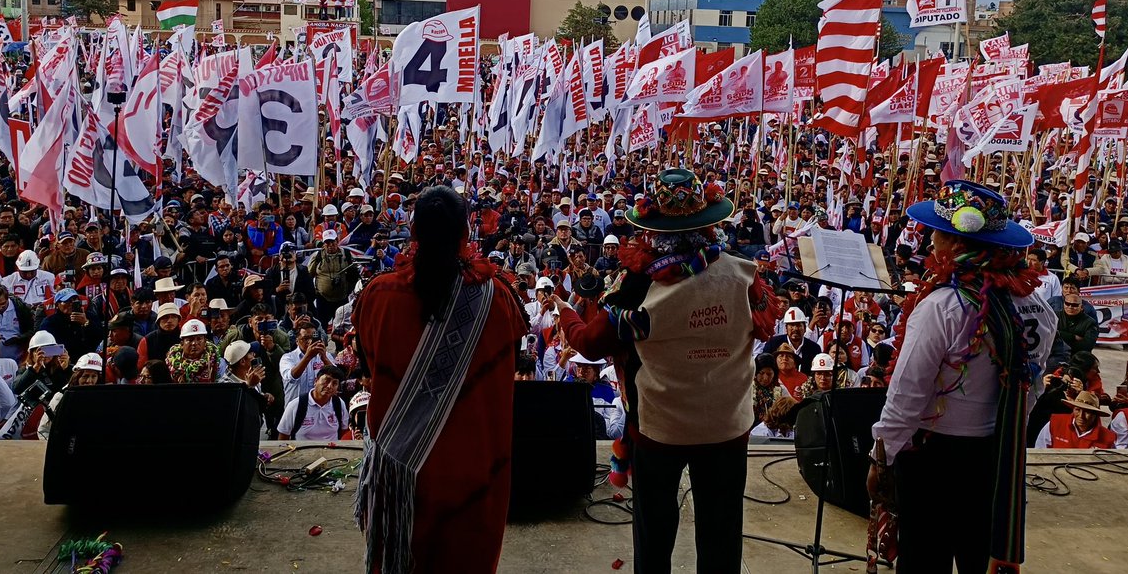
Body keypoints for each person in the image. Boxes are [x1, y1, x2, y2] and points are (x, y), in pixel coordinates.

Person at [555, 168, 776, 574]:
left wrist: (567, 313)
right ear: (709, 223)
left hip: (660, 430)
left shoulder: (639, 286)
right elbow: (765, 323)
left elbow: (589, 342)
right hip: (727, 426)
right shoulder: (745, 274)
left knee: (654, 534)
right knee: (722, 531)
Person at [869, 181, 1058, 574]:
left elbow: (907, 393)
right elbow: (1032, 385)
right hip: (996, 455)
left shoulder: (941, 306)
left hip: (935, 459)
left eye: (937, 233)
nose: (930, 240)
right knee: (979, 556)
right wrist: (1010, 431)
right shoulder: (1037, 304)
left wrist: (881, 454)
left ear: (957, 241)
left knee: (925, 558)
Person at [353, 185, 527, 574]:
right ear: (466, 232)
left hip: (400, 472)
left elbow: (367, 365)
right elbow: (513, 358)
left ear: (413, 232)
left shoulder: (377, 296)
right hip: (474, 473)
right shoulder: (497, 299)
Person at [37, 352, 103, 441]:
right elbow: (43, 430)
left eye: (93, 376)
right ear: (77, 376)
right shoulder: (61, 397)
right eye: (85, 376)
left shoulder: (101, 397)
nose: (89, 381)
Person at [277, 365, 348, 441]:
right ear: (316, 381)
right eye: (326, 380)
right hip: (302, 452)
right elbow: (283, 436)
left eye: (334, 383)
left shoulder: (339, 404)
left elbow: (344, 432)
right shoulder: (296, 405)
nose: (329, 386)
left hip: (332, 451)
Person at [1035, 389, 1120, 448]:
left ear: (1095, 415)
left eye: (1087, 412)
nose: (1081, 416)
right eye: (1077, 410)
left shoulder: (1108, 438)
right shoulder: (1055, 423)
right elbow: (1039, 448)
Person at [167, 318, 220, 383]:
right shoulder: (170, 363)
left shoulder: (217, 362)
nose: (194, 343)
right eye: (190, 339)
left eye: (199, 339)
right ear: (182, 343)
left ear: (205, 341)